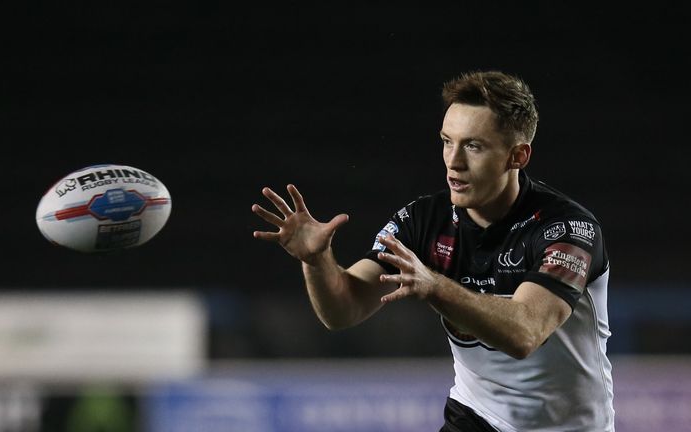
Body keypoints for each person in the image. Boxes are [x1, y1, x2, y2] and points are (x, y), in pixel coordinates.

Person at [251, 70, 614, 431]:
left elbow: (525, 333)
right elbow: (343, 309)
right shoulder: (425, 221)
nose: (453, 161)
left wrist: (435, 286)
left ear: (517, 156)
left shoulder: (568, 229)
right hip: (477, 418)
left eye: (474, 146)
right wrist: (316, 262)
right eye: (446, 141)